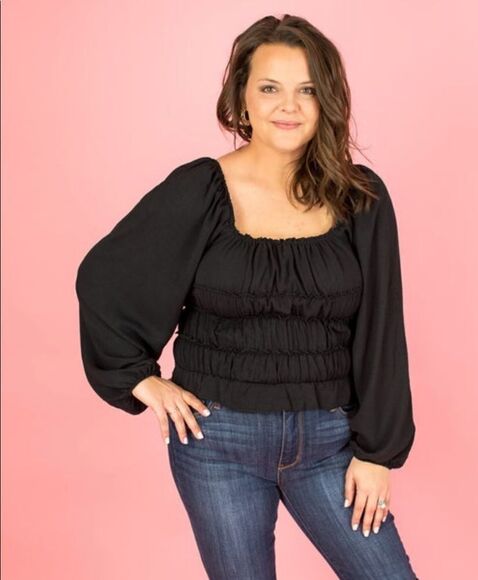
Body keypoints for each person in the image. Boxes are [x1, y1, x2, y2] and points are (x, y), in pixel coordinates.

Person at [75, 14, 418, 580]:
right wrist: (140, 379)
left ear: (327, 101)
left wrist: (377, 453)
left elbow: (383, 330)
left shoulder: (361, 198)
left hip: (330, 442)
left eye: (307, 90)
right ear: (242, 98)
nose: (289, 106)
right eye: (270, 88)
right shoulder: (199, 189)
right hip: (217, 443)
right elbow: (105, 279)